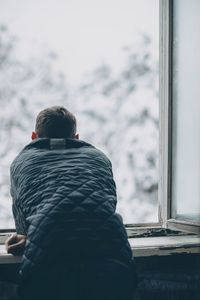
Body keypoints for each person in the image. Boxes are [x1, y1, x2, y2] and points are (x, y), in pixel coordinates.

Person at [6, 106, 137, 300]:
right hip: (111, 258)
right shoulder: (99, 158)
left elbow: (23, 228)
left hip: (48, 263)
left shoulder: (22, 162)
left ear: (34, 137)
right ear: (75, 137)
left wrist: (27, 235)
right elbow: (108, 204)